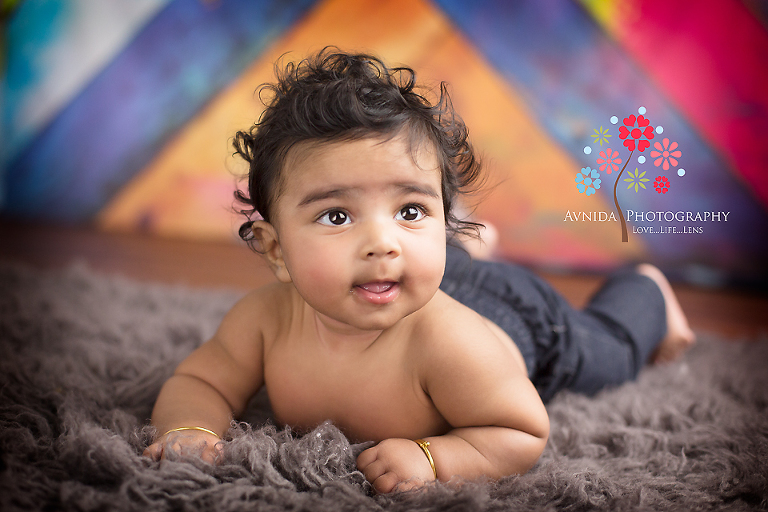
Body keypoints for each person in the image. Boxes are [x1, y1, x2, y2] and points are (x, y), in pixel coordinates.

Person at [143, 48, 695, 493]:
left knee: (615, 350)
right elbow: (200, 379)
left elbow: (521, 430)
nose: (381, 242)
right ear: (276, 250)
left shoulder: (452, 347)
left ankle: (645, 288)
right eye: (336, 215)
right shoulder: (264, 320)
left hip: (522, 322)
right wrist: (189, 427)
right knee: (420, 264)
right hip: (430, 274)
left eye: (411, 210)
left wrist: (435, 456)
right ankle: (463, 250)